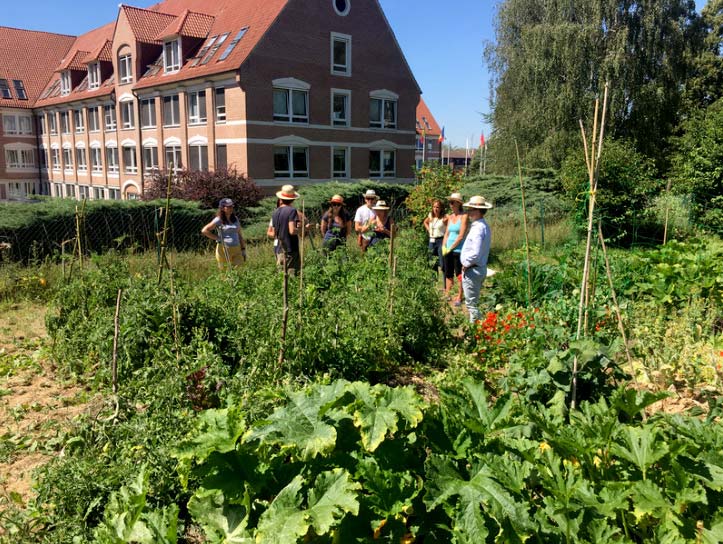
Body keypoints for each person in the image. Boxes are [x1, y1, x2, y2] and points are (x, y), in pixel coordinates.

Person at [460, 195, 493, 323]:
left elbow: (475, 252)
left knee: (471, 304)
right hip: (478, 268)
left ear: (479, 211)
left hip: (473, 269)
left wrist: (466, 264)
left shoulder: (478, 228)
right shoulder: (482, 226)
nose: (469, 212)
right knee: (473, 302)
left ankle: (476, 331)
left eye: (472, 209)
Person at [201, 197, 246, 269]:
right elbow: (204, 230)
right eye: (228, 207)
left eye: (232, 206)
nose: (231, 208)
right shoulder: (218, 220)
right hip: (224, 249)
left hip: (237, 248)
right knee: (225, 273)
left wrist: (243, 249)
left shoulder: (235, 219)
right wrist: (218, 238)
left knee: (239, 270)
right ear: (222, 208)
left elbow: (239, 234)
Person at [441, 193, 468, 306]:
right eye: (450, 202)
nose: (450, 204)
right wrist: (444, 246)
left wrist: (451, 248)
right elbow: (447, 233)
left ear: (458, 203)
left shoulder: (464, 216)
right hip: (448, 249)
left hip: (458, 249)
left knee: (459, 274)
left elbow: (461, 235)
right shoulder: (450, 217)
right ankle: (448, 293)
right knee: (448, 272)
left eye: (452, 202)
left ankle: (459, 296)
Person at [268, 184, 301, 274]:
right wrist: (302, 229)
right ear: (293, 199)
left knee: (281, 275)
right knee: (291, 275)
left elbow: (274, 233)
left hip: (279, 248)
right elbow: (292, 230)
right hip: (290, 248)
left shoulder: (275, 212)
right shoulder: (292, 211)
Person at [423, 199, 447, 275]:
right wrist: (429, 229)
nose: (435, 209)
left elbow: (449, 228)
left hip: (441, 240)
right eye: (434, 207)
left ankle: (445, 283)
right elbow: (425, 222)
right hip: (432, 240)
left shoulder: (444, 217)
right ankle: (434, 281)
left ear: (441, 208)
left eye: (437, 207)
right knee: (432, 261)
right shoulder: (430, 216)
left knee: (442, 262)